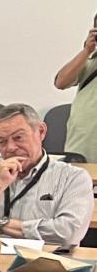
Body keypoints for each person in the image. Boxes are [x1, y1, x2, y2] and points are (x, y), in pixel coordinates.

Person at [0, 103, 94, 248]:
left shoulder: (73, 178)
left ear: (41, 132)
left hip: (48, 264)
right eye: (2, 142)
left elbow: (68, 233)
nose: (10, 148)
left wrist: (0, 223)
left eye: (18, 138)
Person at [53, 12, 97, 162]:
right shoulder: (89, 62)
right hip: (85, 140)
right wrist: (87, 51)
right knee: (80, 181)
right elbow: (61, 82)